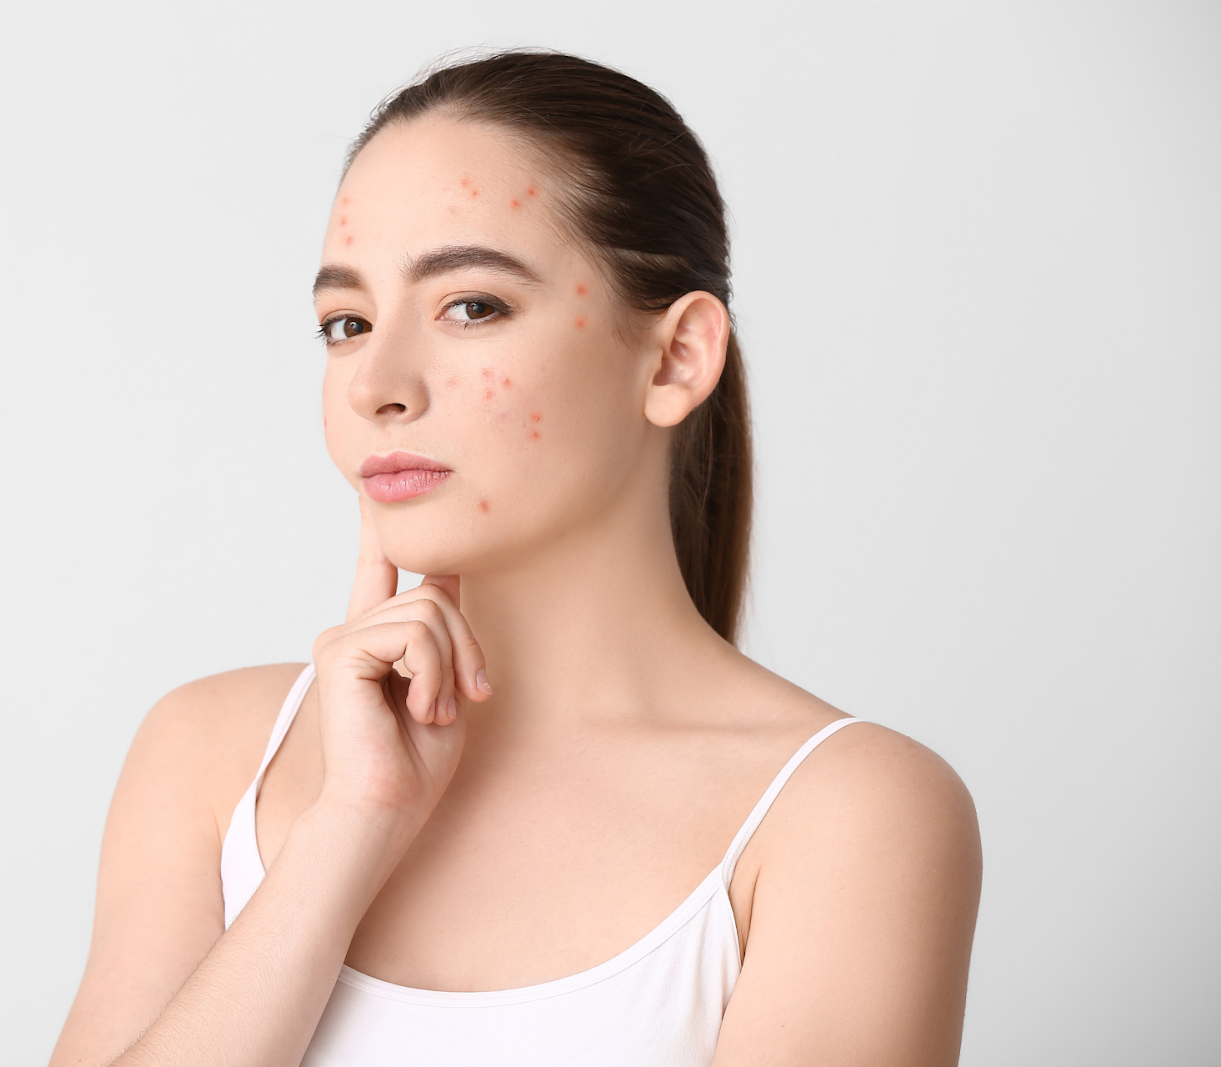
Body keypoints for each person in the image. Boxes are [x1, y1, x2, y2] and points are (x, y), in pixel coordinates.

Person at [48, 49, 982, 1067]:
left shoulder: (847, 814)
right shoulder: (213, 754)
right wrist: (349, 827)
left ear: (675, 357)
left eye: (471, 306)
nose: (377, 383)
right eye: (346, 323)